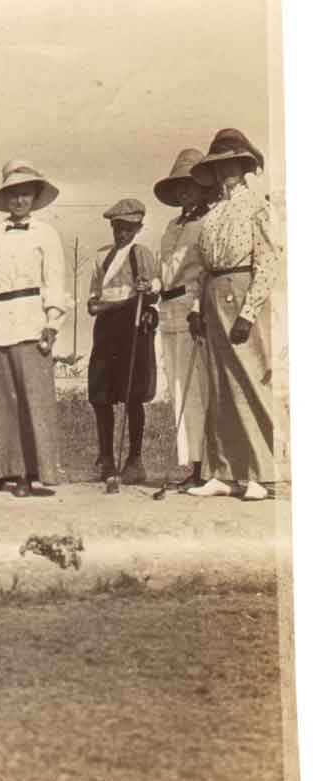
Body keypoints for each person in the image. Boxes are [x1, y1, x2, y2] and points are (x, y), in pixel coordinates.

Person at [0, 159, 67, 497]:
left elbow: (55, 282)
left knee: (29, 401)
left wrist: (53, 322)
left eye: (25, 194)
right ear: (5, 199)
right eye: (13, 195)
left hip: (30, 321)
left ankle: (27, 473)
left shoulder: (46, 235)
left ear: (34, 198)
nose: (19, 201)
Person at [186, 128, 279, 502]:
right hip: (212, 294)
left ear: (243, 166)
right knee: (219, 383)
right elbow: (200, 267)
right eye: (219, 166)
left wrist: (249, 311)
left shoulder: (257, 205)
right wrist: (196, 306)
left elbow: (269, 260)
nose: (226, 172)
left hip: (241, 292)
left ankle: (261, 472)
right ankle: (222, 471)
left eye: (232, 165)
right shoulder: (212, 213)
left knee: (249, 380)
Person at [86, 198, 161, 484]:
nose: (122, 233)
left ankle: (134, 460)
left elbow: (154, 287)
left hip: (133, 324)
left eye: (128, 228)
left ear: (138, 228)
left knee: (132, 392)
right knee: (100, 392)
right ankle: (106, 458)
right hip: (106, 327)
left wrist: (146, 289)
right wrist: (101, 305)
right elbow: (93, 301)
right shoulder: (101, 256)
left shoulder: (141, 253)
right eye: (117, 227)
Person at [152, 148, 213, 490]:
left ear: (202, 188)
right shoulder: (170, 226)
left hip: (192, 306)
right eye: (179, 188)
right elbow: (166, 270)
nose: (184, 194)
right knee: (177, 385)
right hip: (167, 309)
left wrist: (197, 309)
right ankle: (190, 463)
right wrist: (154, 284)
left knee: (196, 388)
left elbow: (204, 270)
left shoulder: (208, 223)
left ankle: (205, 464)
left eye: (189, 186)